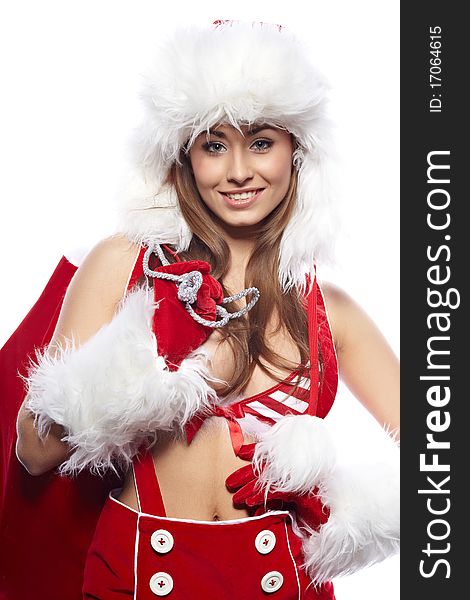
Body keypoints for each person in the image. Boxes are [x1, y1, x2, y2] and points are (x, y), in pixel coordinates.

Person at [10, 20, 399, 599]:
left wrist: (338, 504)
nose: (239, 171)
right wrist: (138, 382)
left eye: (262, 142)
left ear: (297, 152)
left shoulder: (328, 311)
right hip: (138, 576)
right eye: (214, 145)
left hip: (282, 581)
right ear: (183, 158)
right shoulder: (124, 267)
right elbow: (34, 452)